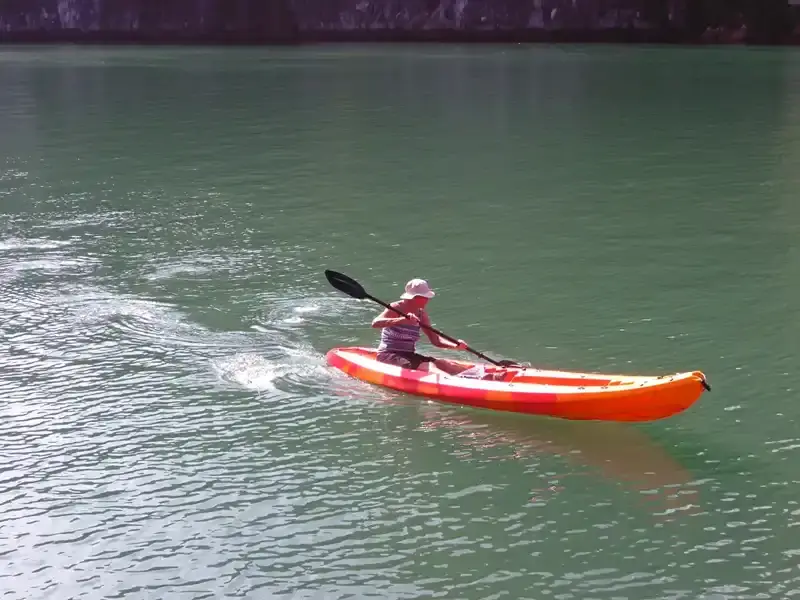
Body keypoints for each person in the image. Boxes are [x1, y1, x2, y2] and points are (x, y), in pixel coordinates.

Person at [371, 278, 474, 376]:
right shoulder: (396, 307)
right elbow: (375, 323)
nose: (427, 300)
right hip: (389, 355)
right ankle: (452, 383)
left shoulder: (421, 314)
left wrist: (455, 346)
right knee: (431, 368)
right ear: (415, 297)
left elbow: (436, 340)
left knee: (446, 365)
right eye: (425, 297)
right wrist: (402, 320)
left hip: (409, 355)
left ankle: (476, 378)